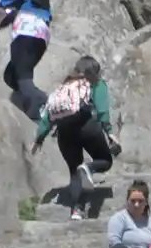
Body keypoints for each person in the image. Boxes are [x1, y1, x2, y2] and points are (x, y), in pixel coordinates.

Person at [31, 56, 119, 221]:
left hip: (65, 133)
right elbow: (102, 110)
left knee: (74, 171)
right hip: (88, 128)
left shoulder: (64, 87)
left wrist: (39, 139)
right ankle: (88, 168)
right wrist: (109, 132)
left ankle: (77, 210)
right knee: (105, 160)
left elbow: (49, 115)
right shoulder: (96, 84)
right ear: (94, 72)